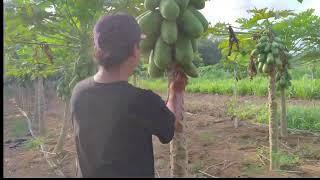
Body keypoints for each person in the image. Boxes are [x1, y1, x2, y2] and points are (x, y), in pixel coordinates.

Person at [70, 13, 182, 178]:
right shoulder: (143, 101)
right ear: (134, 51)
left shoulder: (79, 91)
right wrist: (175, 93)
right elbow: (169, 127)